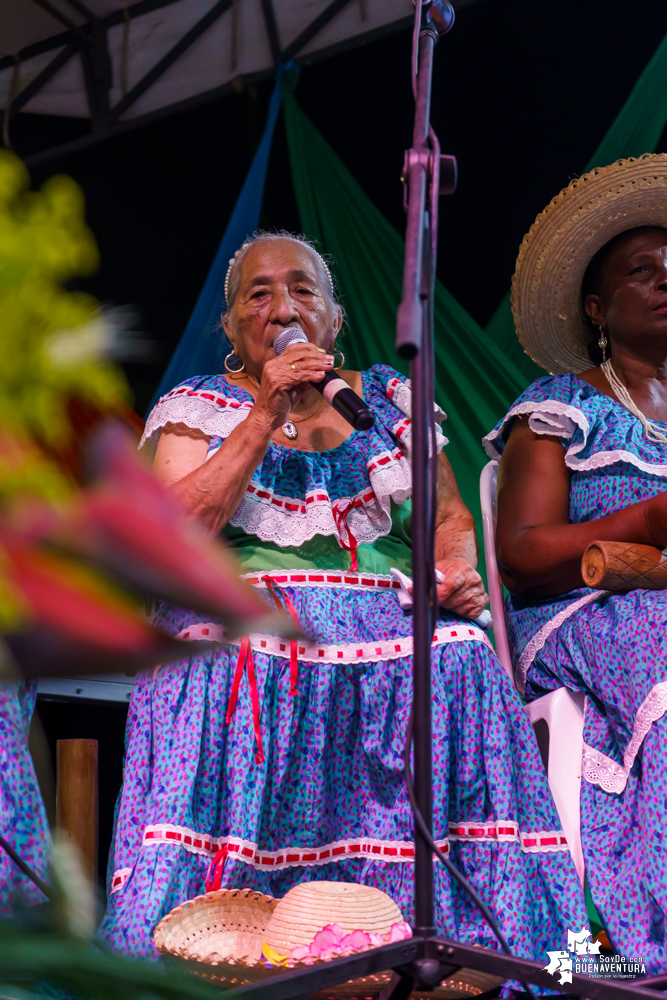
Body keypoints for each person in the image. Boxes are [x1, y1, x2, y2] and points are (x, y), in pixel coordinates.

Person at [100, 230, 587, 960]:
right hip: (244, 616)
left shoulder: (386, 399)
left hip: (378, 612)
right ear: (231, 328)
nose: (281, 306)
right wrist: (264, 412)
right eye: (256, 294)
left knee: (461, 651)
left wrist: (451, 572)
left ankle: (500, 941)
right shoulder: (196, 405)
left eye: (301, 289)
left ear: (332, 318)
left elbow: (447, 517)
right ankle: (228, 936)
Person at [485, 153, 667, 972]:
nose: (665, 281)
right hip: (578, 616)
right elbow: (522, 555)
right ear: (597, 306)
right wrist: (652, 517)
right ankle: (635, 942)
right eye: (641, 272)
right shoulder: (561, 406)